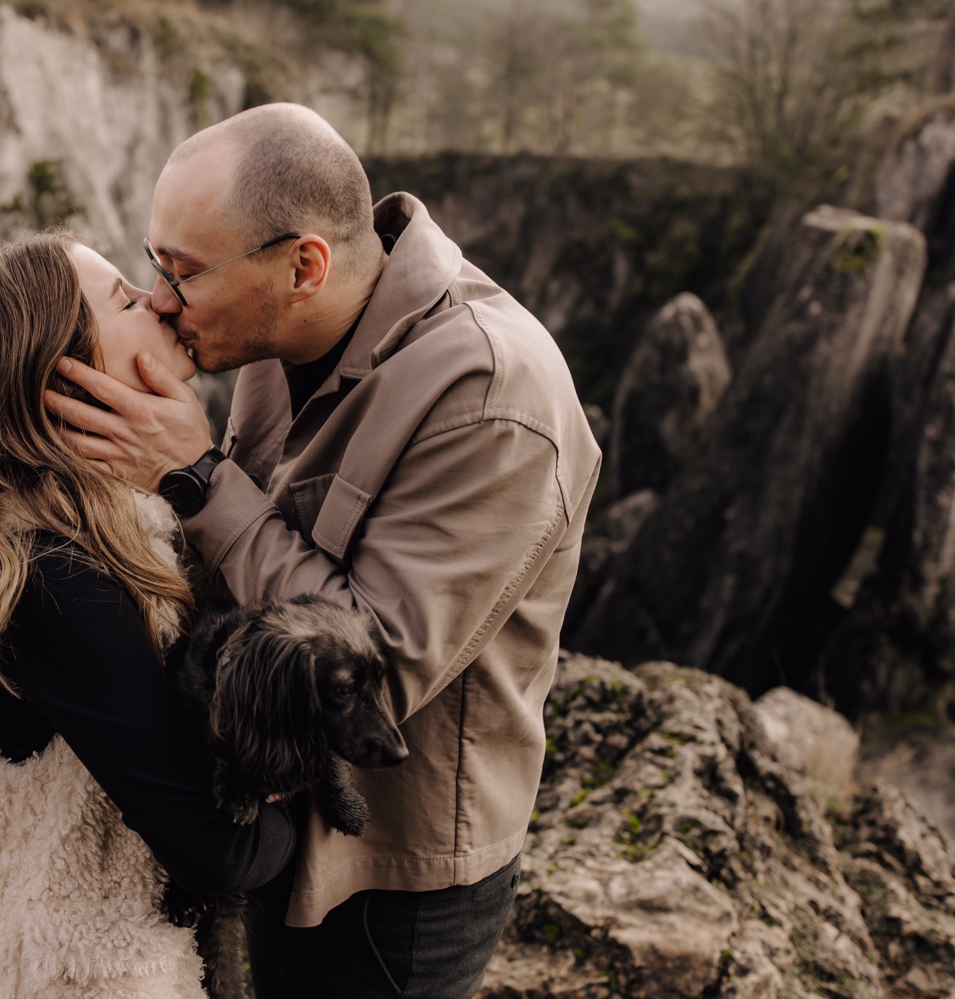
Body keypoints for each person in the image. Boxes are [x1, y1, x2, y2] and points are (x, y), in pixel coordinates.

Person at [44, 104, 603, 998]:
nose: (158, 300)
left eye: (182, 273)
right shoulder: (271, 333)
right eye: (155, 265)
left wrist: (193, 477)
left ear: (304, 264)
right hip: (260, 814)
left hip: (389, 882)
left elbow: (371, 666)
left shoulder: (495, 393)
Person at [0, 233, 295, 999]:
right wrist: (294, 796)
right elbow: (221, 852)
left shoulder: (27, 543)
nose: (161, 301)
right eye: (126, 300)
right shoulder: (49, 577)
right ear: (65, 374)